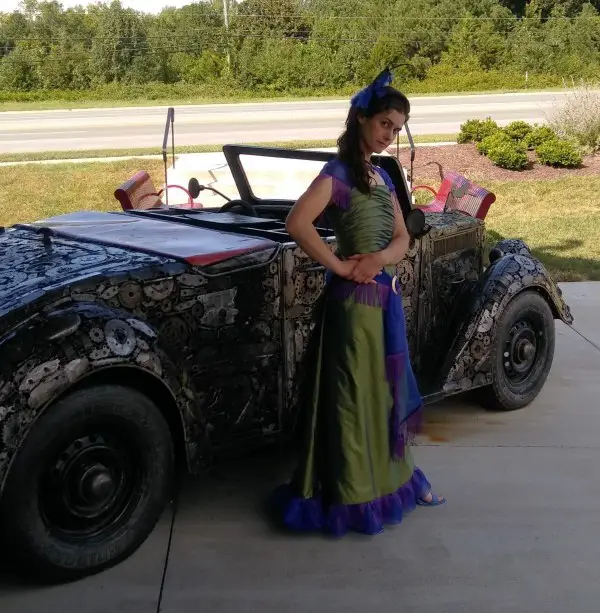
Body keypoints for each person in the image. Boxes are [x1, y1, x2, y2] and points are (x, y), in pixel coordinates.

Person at [271, 68, 445, 537]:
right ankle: (354, 493)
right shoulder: (339, 173)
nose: (391, 134)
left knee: (382, 397)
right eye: (386, 124)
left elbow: (402, 237)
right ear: (363, 119)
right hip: (351, 309)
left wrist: (380, 258)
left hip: (382, 303)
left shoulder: (380, 175)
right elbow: (297, 223)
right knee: (351, 400)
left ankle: (392, 478)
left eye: (397, 127)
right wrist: (341, 265)